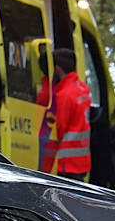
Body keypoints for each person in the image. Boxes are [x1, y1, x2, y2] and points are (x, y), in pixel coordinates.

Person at [38, 46, 92, 182]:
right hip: (82, 161)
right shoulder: (82, 88)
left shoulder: (64, 95)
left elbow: (59, 129)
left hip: (68, 164)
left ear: (57, 69)